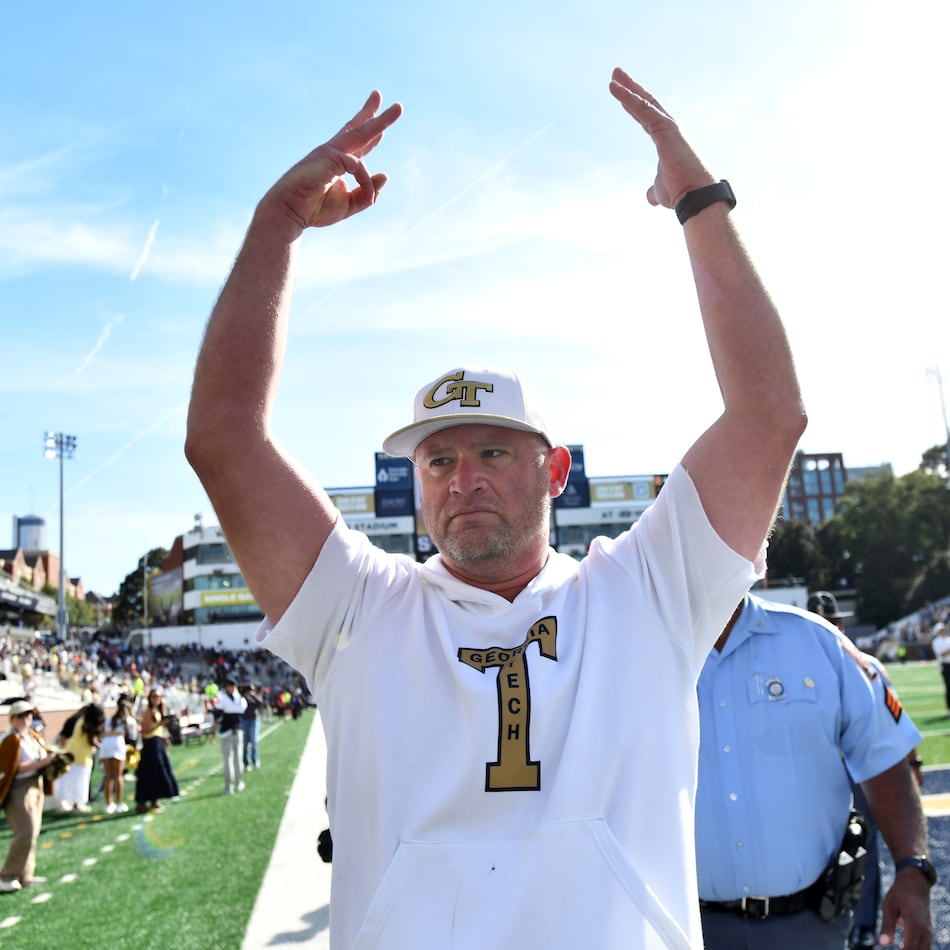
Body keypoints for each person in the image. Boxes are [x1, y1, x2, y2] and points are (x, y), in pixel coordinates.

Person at [185, 69, 807, 949]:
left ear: (554, 469)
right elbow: (223, 439)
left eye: (490, 452)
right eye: (436, 459)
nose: (460, 480)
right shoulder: (358, 608)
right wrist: (275, 228)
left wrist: (699, 200)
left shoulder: (647, 592)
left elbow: (769, 414)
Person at [695, 593, 934, 950]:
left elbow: (884, 756)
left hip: (808, 926)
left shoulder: (820, 642)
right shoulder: (641, 648)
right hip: (684, 928)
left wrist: (913, 869)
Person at [0, 700, 62, 891]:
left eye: (29, 714)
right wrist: (41, 763)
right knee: (25, 831)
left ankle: (25, 875)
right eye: (22, 715)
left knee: (33, 832)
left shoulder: (32, 736)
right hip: (18, 788)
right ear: (13, 718)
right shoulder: (9, 739)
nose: (26, 719)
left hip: (36, 784)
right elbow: (11, 768)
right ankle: (7, 876)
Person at [134, 688, 179, 814]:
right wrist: (160, 724)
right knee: (151, 773)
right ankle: (144, 802)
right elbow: (146, 730)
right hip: (151, 745)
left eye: (158, 697)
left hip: (157, 743)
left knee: (158, 773)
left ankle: (155, 800)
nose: (157, 699)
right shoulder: (148, 712)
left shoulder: (157, 711)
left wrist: (164, 737)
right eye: (154, 696)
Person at [54, 703, 105, 813]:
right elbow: (91, 741)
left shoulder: (81, 720)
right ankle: (77, 803)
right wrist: (102, 747)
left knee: (71, 778)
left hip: (71, 751)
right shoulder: (89, 724)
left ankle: (70, 803)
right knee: (80, 780)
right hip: (82, 755)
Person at [99, 696, 135, 814]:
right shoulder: (129, 720)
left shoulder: (109, 719)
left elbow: (102, 732)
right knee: (118, 776)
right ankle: (119, 802)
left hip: (106, 744)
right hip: (118, 743)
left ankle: (109, 804)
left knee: (108, 776)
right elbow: (133, 735)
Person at [210, 677, 247, 794]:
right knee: (237, 758)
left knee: (228, 760)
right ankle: (239, 782)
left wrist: (213, 732)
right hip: (238, 730)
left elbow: (218, 719)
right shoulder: (242, 700)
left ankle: (229, 786)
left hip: (226, 732)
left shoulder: (224, 701)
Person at [240, 683, 264, 772]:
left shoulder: (254, 697)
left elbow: (260, 703)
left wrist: (253, 696)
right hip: (244, 721)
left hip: (253, 721)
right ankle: (246, 763)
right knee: (245, 743)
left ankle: (255, 760)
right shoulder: (243, 698)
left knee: (254, 741)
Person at [931, 620, 950, 710]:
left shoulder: (948, 639)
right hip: (945, 666)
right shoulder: (936, 642)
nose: (943, 631)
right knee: (948, 686)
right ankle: (948, 707)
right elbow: (941, 654)